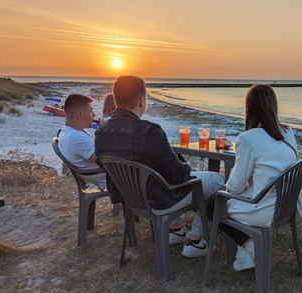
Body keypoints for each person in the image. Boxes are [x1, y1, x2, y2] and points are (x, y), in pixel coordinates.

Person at [94, 75, 224, 257]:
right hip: (160, 201)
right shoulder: (149, 131)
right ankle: (195, 240)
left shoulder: (101, 132)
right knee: (217, 179)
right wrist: (186, 167)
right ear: (141, 100)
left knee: (176, 177)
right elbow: (180, 177)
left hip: (130, 200)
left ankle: (177, 231)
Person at [206, 84, 302, 271]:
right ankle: (245, 256)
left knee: (212, 205)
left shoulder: (248, 138)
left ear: (249, 107)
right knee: (222, 198)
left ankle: (250, 245)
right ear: (273, 106)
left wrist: (225, 188)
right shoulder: (288, 132)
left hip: (263, 209)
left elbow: (236, 186)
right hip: (285, 207)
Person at [57, 93, 107, 190]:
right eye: (91, 111)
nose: (94, 115)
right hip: (111, 179)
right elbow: (103, 159)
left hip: (107, 175)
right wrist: (103, 132)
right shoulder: (74, 137)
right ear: (80, 114)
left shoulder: (69, 131)